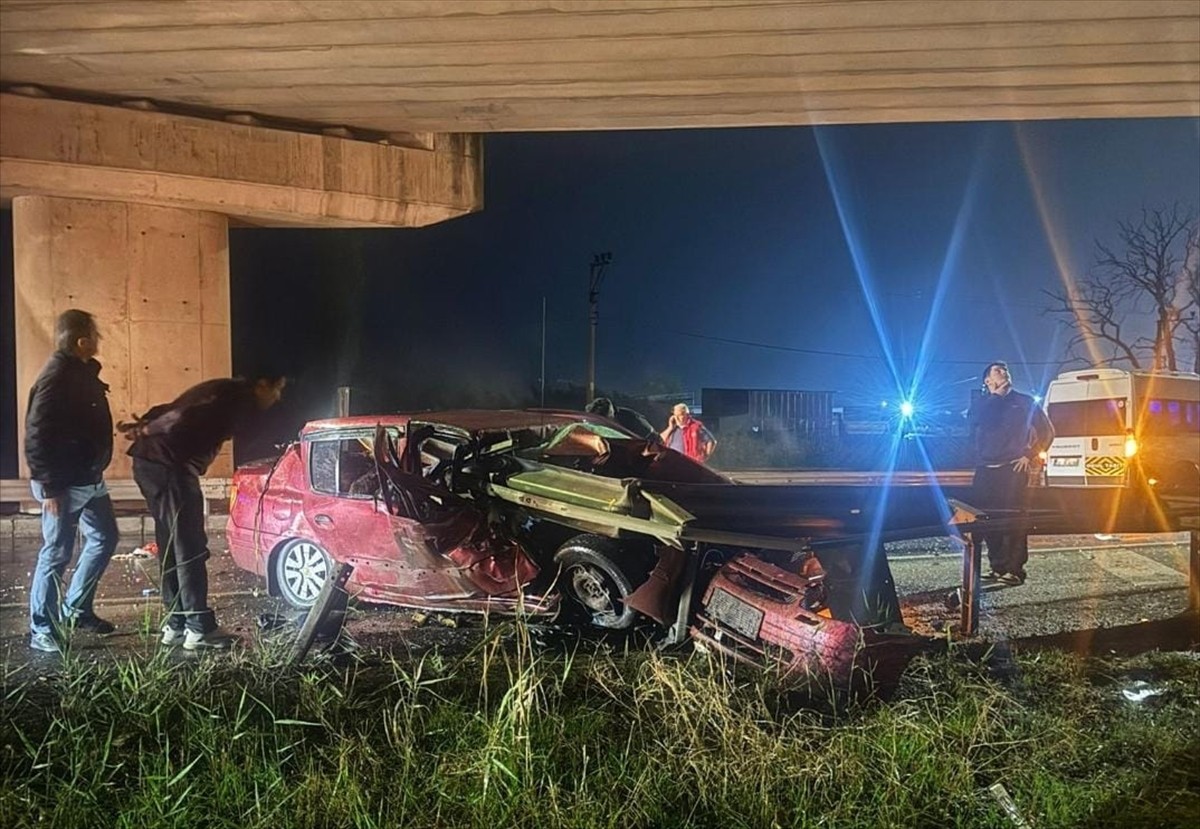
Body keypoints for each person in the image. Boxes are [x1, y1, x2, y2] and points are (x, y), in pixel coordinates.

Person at [120, 375, 286, 650]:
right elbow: (180, 413)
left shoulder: (224, 392)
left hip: (156, 463)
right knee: (189, 545)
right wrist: (147, 430)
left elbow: (177, 409)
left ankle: (177, 623)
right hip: (169, 465)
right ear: (262, 383)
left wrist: (146, 426)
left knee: (172, 544)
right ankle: (198, 627)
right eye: (277, 388)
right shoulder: (234, 396)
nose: (277, 397)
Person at [24, 309, 120, 653]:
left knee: (105, 537)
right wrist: (49, 486)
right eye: (96, 335)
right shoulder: (56, 377)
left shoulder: (79, 371)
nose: (99, 341)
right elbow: (36, 434)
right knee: (56, 553)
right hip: (63, 484)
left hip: (89, 478)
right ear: (82, 342)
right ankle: (42, 628)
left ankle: (77, 610)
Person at [967, 361, 1054, 586]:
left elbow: (1047, 432)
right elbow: (974, 421)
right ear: (987, 381)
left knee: (1014, 520)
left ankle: (1015, 570)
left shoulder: (1024, 402)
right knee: (988, 519)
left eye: (1005, 370)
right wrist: (996, 397)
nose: (1003, 372)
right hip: (986, 469)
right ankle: (998, 566)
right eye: (997, 371)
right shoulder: (982, 403)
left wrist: (1029, 454)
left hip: (1012, 469)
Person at [585, 397, 662, 444]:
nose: (599, 427)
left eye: (602, 423)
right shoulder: (589, 423)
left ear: (611, 416)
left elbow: (656, 441)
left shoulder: (633, 420)